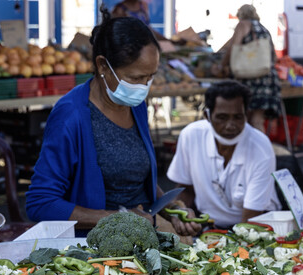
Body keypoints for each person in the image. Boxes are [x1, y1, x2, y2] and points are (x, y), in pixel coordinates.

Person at [26, 7, 200, 237]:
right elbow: (40, 203)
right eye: (136, 78)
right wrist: (117, 217)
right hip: (90, 251)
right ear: (102, 66)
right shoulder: (71, 116)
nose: (144, 86)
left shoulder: (135, 104)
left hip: (141, 240)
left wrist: (173, 210)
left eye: (150, 77)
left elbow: (137, 179)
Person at [166, 80, 281, 228]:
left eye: (238, 117)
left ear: (247, 115)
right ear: (207, 116)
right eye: (222, 117)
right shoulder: (191, 136)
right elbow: (186, 189)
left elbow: (250, 220)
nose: (230, 125)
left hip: (255, 224)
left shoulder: (260, 147)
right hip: (209, 224)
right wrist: (181, 214)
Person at [221, 4, 282, 132]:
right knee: (258, 120)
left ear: (241, 15)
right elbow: (274, 57)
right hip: (267, 78)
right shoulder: (264, 29)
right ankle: (262, 150)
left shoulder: (243, 25)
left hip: (250, 79)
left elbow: (233, 48)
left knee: (244, 117)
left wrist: (223, 65)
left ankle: (246, 150)